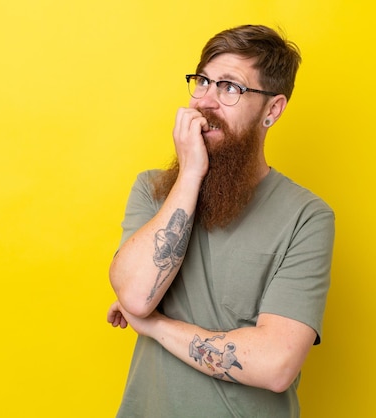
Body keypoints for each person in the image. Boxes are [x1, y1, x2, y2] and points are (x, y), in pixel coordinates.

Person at [107, 24, 335, 417]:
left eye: (230, 87)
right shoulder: (152, 191)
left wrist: (156, 327)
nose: (206, 101)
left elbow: (276, 365)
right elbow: (135, 297)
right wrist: (191, 174)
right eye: (203, 81)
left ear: (273, 109)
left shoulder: (307, 217)